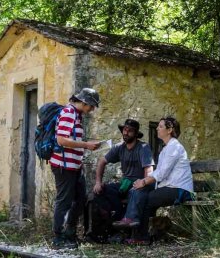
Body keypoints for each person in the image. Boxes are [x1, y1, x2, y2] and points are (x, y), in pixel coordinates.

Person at [126, 117, 194, 245]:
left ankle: (142, 237)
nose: (157, 128)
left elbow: (162, 173)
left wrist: (144, 182)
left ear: (170, 130)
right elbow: (159, 172)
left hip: (180, 189)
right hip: (170, 187)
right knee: (141, 194)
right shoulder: (166, 148)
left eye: (161, 126)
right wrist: (143, 182)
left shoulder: (174, 147)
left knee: (146, 198)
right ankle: (145, 234)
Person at [50, 88, 101, 250]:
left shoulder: (77, 115)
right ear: (84, 102)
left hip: (75, 166)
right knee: (64, 201)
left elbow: (71, 139)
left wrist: (86, 146)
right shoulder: (68, 112)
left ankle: (69, 233)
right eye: (91, 106)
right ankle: (58, 238)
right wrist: (86, 145)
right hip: (63, 166)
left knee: (80, 199)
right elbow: (61, 140)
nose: (92, 110)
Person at [92, 119, 154, 229]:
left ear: (135, 134)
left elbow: (149, 170)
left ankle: (129, 220)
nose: (126, 133)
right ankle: (105, 227)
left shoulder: (143, 147)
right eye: (125, 129)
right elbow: (102, 162)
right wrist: (98, 182)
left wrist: (143, 183)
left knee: (134, 191)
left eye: (130, 131)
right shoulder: (119, 147)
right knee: (100, 191)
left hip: (140, 184)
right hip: (125, 185)